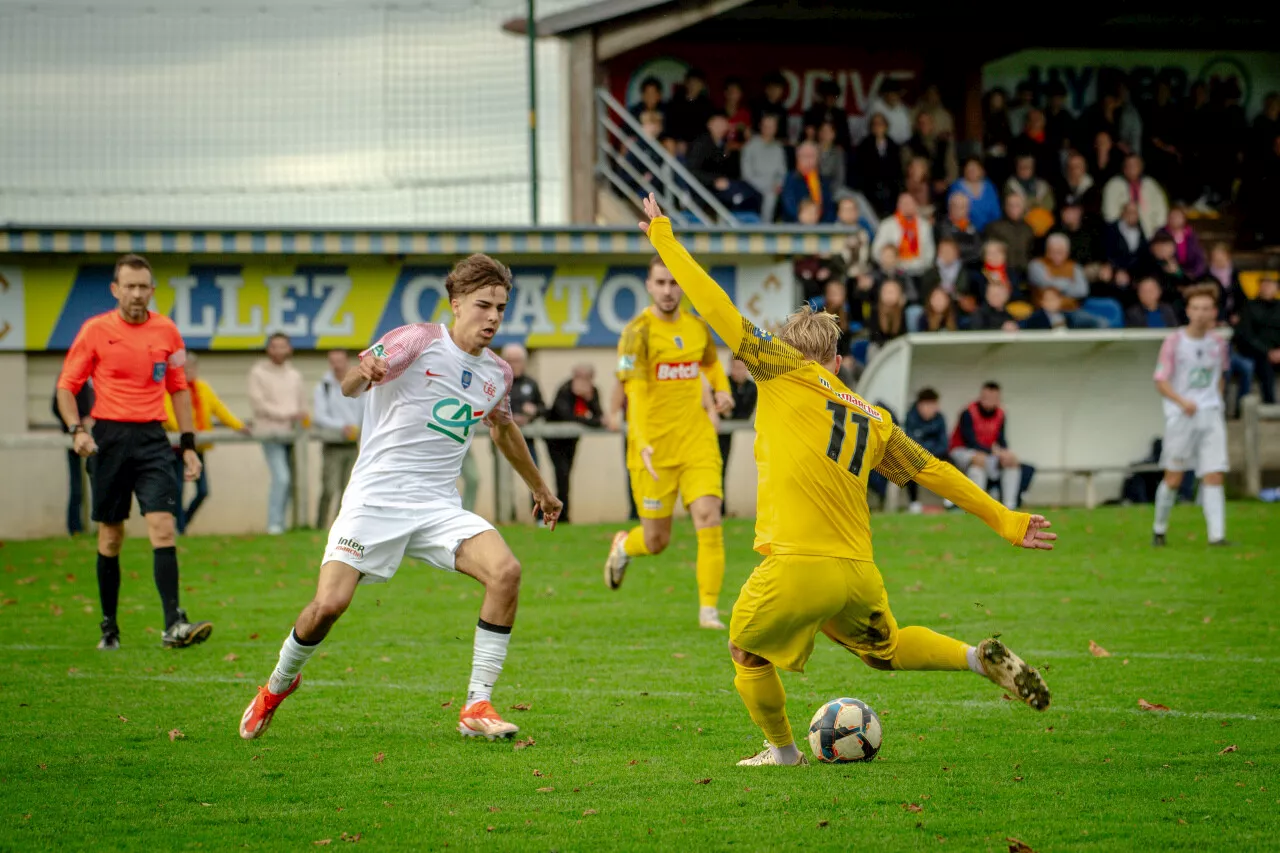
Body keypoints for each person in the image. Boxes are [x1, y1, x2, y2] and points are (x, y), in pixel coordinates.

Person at [637, 193, 1055, 768]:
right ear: (837, 360)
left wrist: (663, 235)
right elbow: (934, 469)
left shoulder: (778, 369)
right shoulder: (872, 415)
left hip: (795, 563)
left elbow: (713, 304)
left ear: (791, 352)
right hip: (857, 572)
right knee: (885, 652)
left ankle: (782, 753)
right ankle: (974, 659)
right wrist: (1004, 519)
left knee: (743, 648)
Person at [239, 253, 563, 742]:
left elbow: (503, 428)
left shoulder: (498, 373)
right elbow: (351, 385)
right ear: (456, 304)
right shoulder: (416, 340)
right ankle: (277, 685)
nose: (494, 317)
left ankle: (477, 702)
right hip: (374, 499)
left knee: (506, 571)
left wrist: (539, 487)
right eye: (483, 306)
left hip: (437, 507)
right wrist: (363, 370)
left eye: (501, 307)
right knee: (328, 606)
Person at [55, 253, 213, 651]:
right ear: (115, 290)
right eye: (130, 286)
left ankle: (173, 624)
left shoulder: (167, 332)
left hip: (153, 440)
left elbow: (179, 389)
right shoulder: (95, 330)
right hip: (108, 439)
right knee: (111, 537)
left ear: (153, 290)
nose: (137, 294)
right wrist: (77, 430)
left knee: (163, 526)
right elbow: (66, 386)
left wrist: (189, 446)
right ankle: (109, 627)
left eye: (144, 287)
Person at [603, 254, 734, 630]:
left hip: (697, 441)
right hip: (654, 450)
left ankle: (709, 609)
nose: (667, 291)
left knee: (709, 518)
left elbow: (710, 365)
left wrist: (722, 391)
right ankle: (625, 546)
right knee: (656, 540)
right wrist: (640, 439)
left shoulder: (697, 327)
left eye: (674, 283)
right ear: (649, 285)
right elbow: (636, 393)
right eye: (660, 283)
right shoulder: (636, 333)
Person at [1151, 285, 1231, 547]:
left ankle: (1216, 536)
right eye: (1195, 308)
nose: (1200, 313)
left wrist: (1215, 402)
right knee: (1174, 477)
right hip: (1182, 416)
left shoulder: (1218, 343)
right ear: (1187, 311)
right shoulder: (1175, 342)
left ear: (1214, 312)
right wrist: (1181, 401)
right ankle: (1159, 529)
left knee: (1214, 473)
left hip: (1210, 414)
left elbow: (1220, 377)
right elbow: (1161, 380)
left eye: (1205, 308)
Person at [162, 353, 249, 534]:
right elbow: (167, 414)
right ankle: (180, 528)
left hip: (197, 446)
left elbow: (219, 409)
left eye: (191, 369)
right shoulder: (169, 388)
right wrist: (185, 430)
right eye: (184, 369)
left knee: (203, 491)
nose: (187, 373)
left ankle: (182, 521)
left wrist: (238, 425)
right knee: (177, 488)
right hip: (177, 447)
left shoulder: (203, 388)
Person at [248, 333, 306, 535]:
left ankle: (284, 523)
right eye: (274, 346)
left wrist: (299, 417)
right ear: (268, 349)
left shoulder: (294, 374)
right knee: (281, 477)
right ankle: (274, 524)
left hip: (292, 434)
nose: (279, 350)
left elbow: (301, 404)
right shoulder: (258, 372)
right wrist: (286, 414)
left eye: (283, 346)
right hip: (269, 433)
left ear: (289, 349)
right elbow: (259, 404)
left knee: (291, 480)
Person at [948, 382, 1026, 510]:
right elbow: (970, 442)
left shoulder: (1001, 413)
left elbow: (1001, 440)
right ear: (981, 396)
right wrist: (994, 452)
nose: (990, 401)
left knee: (1011, 461)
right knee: (979, 461)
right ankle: (977, 507)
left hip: (988, 453)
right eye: (986, 397)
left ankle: (1009, 507)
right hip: (962, 451)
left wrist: (1005, 454)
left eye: (994, 398)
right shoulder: (968, 412)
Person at [312, 350, 365, 530]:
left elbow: (364, 410)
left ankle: (340, 527)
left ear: (346, 361)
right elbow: (320, 416)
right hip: (332, 443)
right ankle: (320, 525)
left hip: (353, 444)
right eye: (333, 361)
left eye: (340, 361)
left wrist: (356, 426)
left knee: (347, 489)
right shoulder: (324, 386)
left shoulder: (359, 383)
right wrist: (342, 426)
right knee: (329, 488)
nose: (337, 365)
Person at [545, 364, 603, 524]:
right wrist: (587, 420)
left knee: (567, 473)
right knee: (561, 473)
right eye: (579, 377)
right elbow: (566, 416)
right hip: (555, 440)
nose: (583, 381)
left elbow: (600, 418)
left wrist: (588, 399)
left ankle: (563, 514)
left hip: (572, 440)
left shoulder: (593, 392)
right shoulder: (565, 390)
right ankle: (561, 515)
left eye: (587, 378)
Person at [52, 378, 94, 536]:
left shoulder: (97, 378)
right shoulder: (69, 379)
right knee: (77, 485)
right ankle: (75, 527)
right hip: (75, 438)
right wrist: (76, 424)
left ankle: (98, 525)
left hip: (98, 437)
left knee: (98, 483)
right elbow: (57, 406)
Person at [903, 388, 949, 513]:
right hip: (916, 455)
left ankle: (950, 500)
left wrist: (930, 453)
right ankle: (914, 503)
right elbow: (910, 442)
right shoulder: (911, 417)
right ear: (919, 405)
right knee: (908, 461)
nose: (931, 409)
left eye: (933, 405)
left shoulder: (940, 419)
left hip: (935, 455)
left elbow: (944, 444)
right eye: (928, 405)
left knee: (950, 460)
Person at [1236, 274, 1280, 404]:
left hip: (1278, 350)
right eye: (1264, 285)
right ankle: (1270, 406)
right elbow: (1246, 334)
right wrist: (1267, 351)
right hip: (1258, 351)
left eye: (1270, 285)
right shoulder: (1249, 307)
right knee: (1264, 365)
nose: (1267, 288)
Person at [1102, 154, 1169, 239]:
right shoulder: (1113, 185)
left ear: (1141, 167)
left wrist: (1156, 231)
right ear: (1124, 168)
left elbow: (1161, 211)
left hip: (1150, 234)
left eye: (1135, 165)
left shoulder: (1151, 184)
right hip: (1121, 235)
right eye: (1129, 165)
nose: (1132, 168)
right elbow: (1109, 215)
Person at [871, 193, 935, 279]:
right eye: (904, 203)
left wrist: (921, 265)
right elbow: (876, 251)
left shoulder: (924, 226)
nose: (907, 206)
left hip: (920, 272)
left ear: (916, 205)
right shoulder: (887, 225)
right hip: (893, 273)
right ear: (898, 205)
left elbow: (930, 252)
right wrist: (889, 263)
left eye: (910, 203)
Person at [718, 358, 758, 494]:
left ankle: (722, 508)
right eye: (735, 368)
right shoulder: (723, 385)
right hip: (717, 430)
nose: (738, 372)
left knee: (724, 465)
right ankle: (721, 508)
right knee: (718, 467)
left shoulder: (752, 388)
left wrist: (728, 413)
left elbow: (744, 415)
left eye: (741, 368)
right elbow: (718, 407)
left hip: (730, 427)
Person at [500, 343, 545, 464]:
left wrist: (534, 411)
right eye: (510, 361)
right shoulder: (496, 383)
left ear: (524, 362)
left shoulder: (531, 383)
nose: (514, 365)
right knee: (503, 473)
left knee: (533, 470)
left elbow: (543, 408)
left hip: (526, 437)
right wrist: (510, 417)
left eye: (517, 361)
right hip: (502, 436)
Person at [740, 113, 788, 223]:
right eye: (766, 126)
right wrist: (769, 185)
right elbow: (746, 175)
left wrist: (779, 184)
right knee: (770, 195)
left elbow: (782, 172)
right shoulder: (750, 146)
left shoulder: (778, 148)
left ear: (776, 128)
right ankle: (765, 228)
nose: (769, 129)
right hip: (753, 186)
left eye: (772, 126)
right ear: (761, 127)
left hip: (774, 187)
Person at [780, 142, 835, 223]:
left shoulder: (823, 181)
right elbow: (789, 206)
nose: (808, 160)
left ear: (818, 159)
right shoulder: (791, 179)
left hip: (821, 226)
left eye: (812, 156)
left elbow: (830, 208)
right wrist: (806, 218)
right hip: (796, 226)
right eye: (805, 156)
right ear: (798, 159)